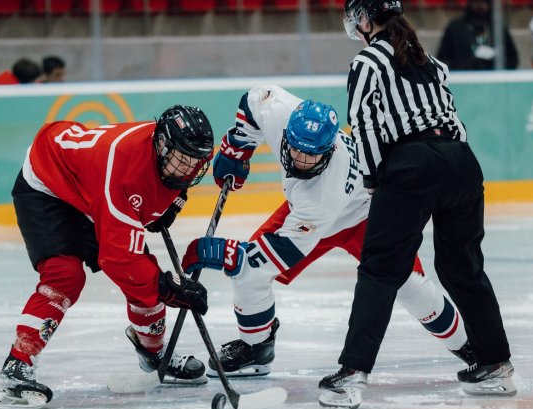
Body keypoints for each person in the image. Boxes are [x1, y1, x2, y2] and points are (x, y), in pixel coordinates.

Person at [180, 86, 476, 381]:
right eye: (295, 150)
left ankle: (470, 347)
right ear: (288, 135)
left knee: (410, 286)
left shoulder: (322, 194)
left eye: (312, 156)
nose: (300, 161)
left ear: (330, 148)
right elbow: (254, 99)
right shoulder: (281, 113)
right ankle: (257, 347)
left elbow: (277, 255)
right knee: (249, 277)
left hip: (368, 216)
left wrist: (225, 253)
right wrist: (238, 144)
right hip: (310, 212)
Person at [318, 0, 517, 409]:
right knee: (463, 268)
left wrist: (374, 182)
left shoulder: (368, 61)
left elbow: (365, 123)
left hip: (411, 165)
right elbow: (455, 120)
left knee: (380, 268)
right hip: (461, 162)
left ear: (367, 20)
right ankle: (496, 365)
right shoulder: (431, 60)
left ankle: (352, 374)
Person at [0, 105, 215, 409]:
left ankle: (155, 354)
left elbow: (169, 181)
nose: (188, 171)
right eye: (182, 161)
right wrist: (170, 291)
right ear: (162, 145)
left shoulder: (167, 153)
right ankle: (15, 369)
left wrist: (171, 200)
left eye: (195, 163)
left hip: (90, 186)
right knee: (67, 276)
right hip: (48, 182)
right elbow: (119, 260)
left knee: (144, 280)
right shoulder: (123, 171)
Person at [436, 0, 518, 71]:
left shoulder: (498, 29)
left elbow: (512, 58)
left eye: (483, 2)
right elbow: (442, 59)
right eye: (476, 1)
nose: (480, 6)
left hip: (493, 80)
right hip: (463, 80)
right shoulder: (455, 28)